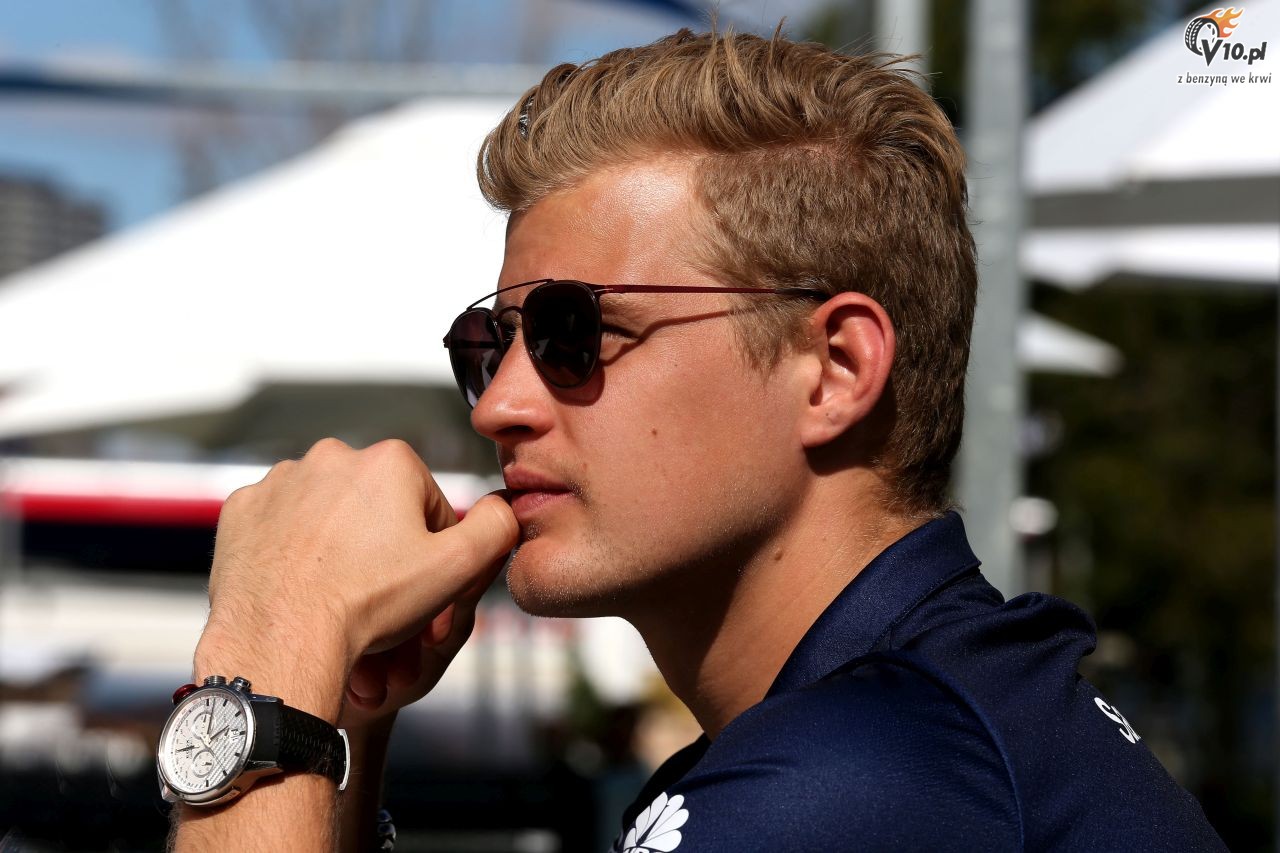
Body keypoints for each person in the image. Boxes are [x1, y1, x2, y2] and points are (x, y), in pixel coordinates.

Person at [168, 28, 1227, 852]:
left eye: (575, 332)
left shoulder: (876, 770)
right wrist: (343, 721)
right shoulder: (914, 723)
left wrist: (270, 649)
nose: (498, 406)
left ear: (834, 369)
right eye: (490, 343)